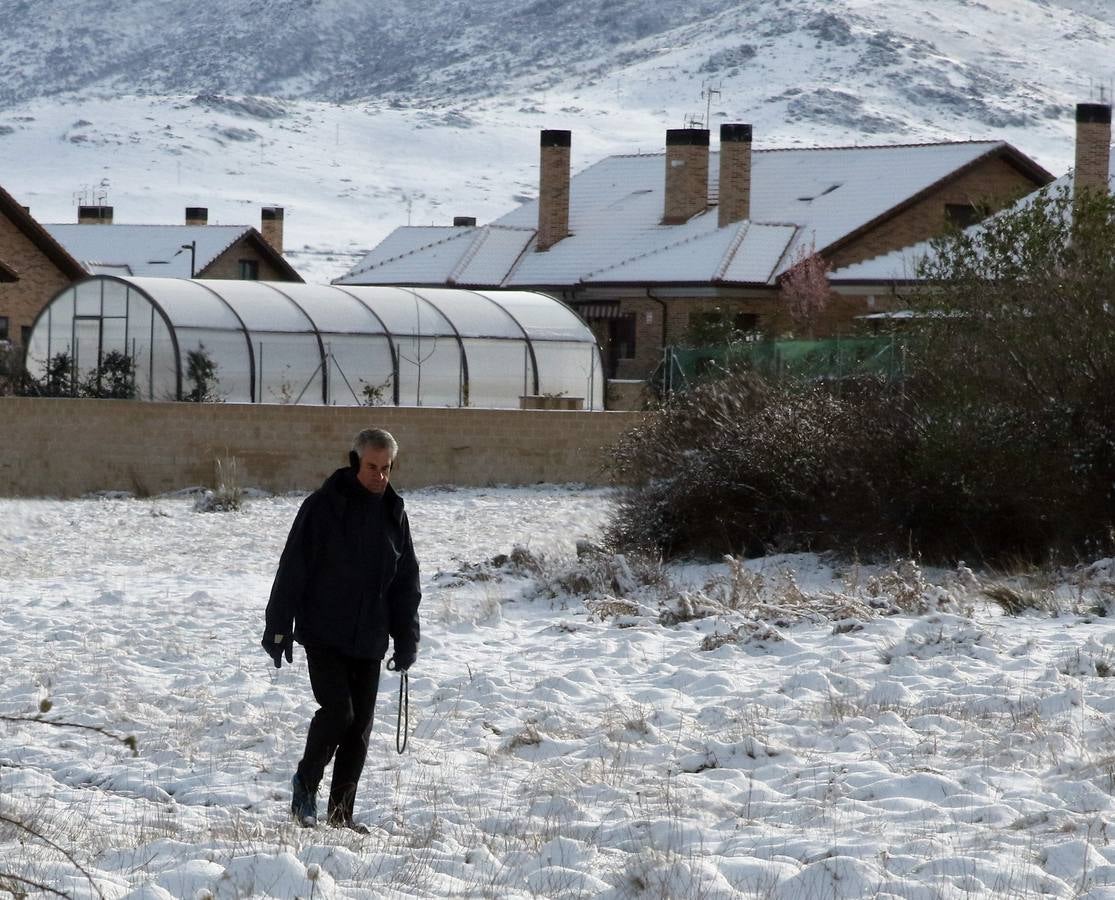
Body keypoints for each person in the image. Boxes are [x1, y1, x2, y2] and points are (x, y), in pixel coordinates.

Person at [262, 427, 421, 832]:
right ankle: (305, 785)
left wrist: (406, 638)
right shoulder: (323, 507)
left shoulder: (393, 513)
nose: (380, 476)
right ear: (355, 462)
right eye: (372, 467)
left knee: (359, 730)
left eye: (386, 469)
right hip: (324, 632)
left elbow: (406, 582)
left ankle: (341, 814)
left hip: (369, 637)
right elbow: (293, 567)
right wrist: (279, 626)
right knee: (339, 713)